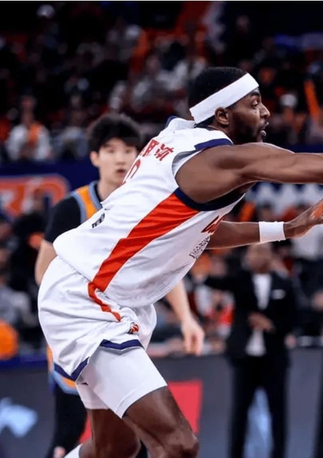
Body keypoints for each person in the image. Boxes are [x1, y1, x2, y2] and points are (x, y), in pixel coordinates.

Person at [38, 66, 323, 458]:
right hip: (88, 297)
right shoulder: (220, 161)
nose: (266, 112)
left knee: (114, 450)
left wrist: (286, 229)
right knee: (178, 444)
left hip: (107, 294)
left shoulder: (177, 140)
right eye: (255, 103)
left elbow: (200, 231)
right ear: (223, 115)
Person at [34, 113, 205, 458]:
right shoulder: (73, 207)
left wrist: (187, 318)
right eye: (111, 150)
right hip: (81, 328)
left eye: (128, 150)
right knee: (69, 430)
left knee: (124, 443)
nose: (121, 158)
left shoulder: (147, 204)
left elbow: (162, 270)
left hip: (124, 328)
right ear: (95, 157)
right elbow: (43, 273)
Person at [202, 243, 297, 458]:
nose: (257, 256)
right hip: (244, 358)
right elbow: (214, 281)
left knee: (278, 411)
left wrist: (271, 325)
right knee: (239, 411)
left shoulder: (284, 282)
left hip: (273, 358)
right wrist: (200, 266)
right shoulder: (240, 279)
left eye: (262, 252)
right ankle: (234, 454)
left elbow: (294, 318)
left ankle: (279, 454)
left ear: (271, 256)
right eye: (253, 252)